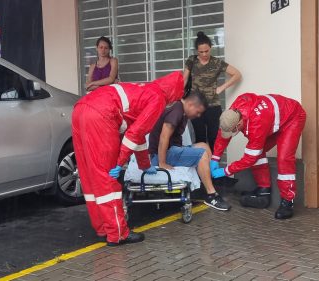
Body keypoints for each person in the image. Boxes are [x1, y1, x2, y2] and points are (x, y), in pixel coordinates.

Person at [72, 71, 184, 246]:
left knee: (90, 173)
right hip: (102, 114)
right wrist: (119, 162)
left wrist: (144, 164)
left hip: (81, 108)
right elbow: (135, 134)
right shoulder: (158, 99)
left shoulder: (145, 89)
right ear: (174, 95)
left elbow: (137, 134)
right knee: (107, 177)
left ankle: (103, 227)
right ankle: (117, 233)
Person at [209, 93, 306, 219]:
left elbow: (250, 158)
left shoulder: (256, 123)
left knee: (283, 159)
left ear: (238, 125)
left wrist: (226, 171)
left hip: (293, 118)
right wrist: (215, 158)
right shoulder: (233, 112)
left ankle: (288, 202)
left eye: (232, 132)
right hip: (273, 119)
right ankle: (263, 190)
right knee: (255, 152)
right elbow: (223, 135)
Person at [148, 92, 231, 211]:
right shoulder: (176, 110)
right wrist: (162, 163)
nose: (198, 116)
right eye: (198, 112)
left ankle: (207, 183)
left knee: (203, 146)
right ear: (190, 104)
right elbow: (163, 137)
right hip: (161, 155)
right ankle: (211, 195)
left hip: (172, 150)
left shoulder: (181, 110)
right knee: (201, 154)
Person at [183, 31, 241, 152]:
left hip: (213, 106)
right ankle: (202, 168)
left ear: (211, 48)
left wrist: (222, 87)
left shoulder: (217, 63)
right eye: (201, 52)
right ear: (196, 51)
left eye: (207, 51)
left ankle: (212, 167)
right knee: (199, 139)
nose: (204, 54)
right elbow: (184, 80)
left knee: (214, 138)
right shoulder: (191, 61)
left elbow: (237, 74)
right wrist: (180, 99)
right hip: (195, 106)